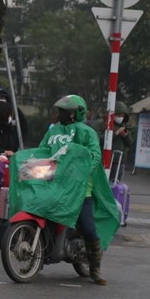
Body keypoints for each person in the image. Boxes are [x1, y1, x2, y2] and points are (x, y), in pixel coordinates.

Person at [42, 95, 115, 285]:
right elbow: (42, 151)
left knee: (89, 230)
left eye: (66, 111)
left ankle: (95, 268)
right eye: (61, 111)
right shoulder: (53, 131)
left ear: (76, 113)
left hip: (81, 191)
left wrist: (83, 173)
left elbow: (94, 156)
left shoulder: (87, 132)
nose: (62, 115)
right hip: (54, 185)